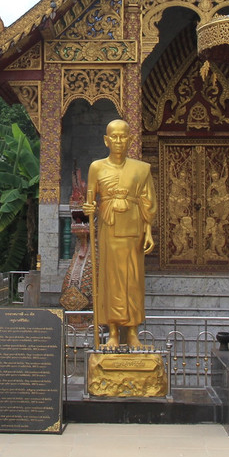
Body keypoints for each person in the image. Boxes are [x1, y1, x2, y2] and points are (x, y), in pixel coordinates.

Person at [82, 119, 155, 348]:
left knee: (133, 280)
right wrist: (89, 208)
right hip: (109, 230)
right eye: (114, 136)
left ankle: (132, 332)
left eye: (123, 136)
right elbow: (90, 199)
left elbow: (148, 201)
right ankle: (112, 332)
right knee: (111, 280)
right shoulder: (97, 167)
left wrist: (149, 230)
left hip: (134, 230)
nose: (119, 141)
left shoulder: (141, 169)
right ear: (106, 140)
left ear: (130, 140)